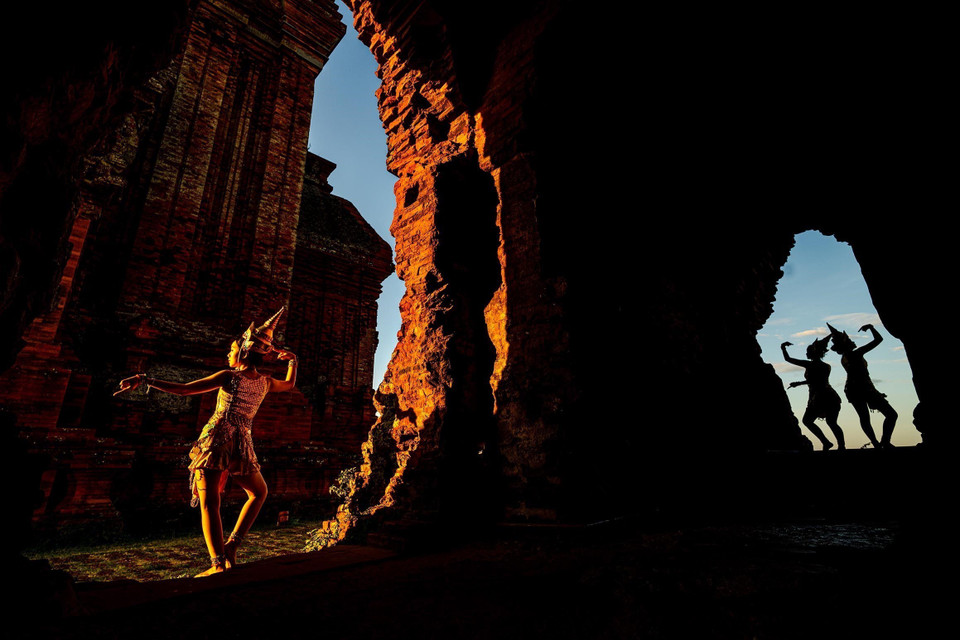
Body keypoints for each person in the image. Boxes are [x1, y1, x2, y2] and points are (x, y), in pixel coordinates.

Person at [114, 307, 297, 576]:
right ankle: (231, 547)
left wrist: (145, 379)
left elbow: (185, 389)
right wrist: (293, 360)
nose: (228, 354)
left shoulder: (229, 376)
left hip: (217, 440)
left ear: (244, 351)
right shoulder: (266, 382)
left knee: (210, 503)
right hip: (242, 443)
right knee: (258, 493)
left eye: (232, 350)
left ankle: (218, 563)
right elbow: (290, 384)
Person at [827, 322, 897, 449]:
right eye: (848, 339)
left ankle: (877, 442)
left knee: (865, 418)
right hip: (864, 389)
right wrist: (871, 328)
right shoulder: (856, 353)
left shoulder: (844, 358)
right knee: (891, 415)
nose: (851, 341)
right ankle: (884, 441)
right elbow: (878, 340)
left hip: (854, 389)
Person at [782, 336, 845, 450]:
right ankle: (831, 443)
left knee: (821, 422)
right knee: (824, 422)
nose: (806, 354)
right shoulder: (818, 365)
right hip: (821, 397)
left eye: (808, 352)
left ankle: (835, 444)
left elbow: (818, 381)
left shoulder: (818, 366)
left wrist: (799, 383)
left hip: (824, 397)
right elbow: (789, 359)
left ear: (814, 352)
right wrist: (783, 348)